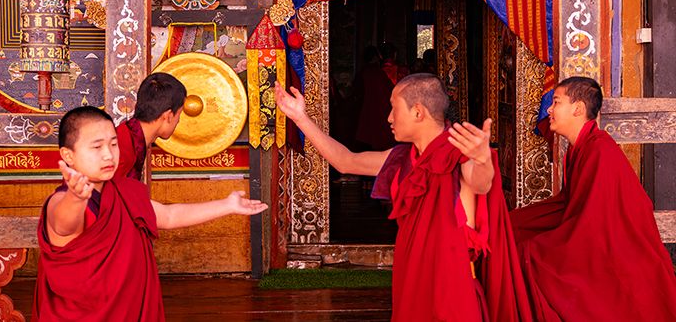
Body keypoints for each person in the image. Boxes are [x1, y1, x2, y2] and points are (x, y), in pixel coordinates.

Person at [275, 74, 531, 321]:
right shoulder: (402, 158)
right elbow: (346, 161)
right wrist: (300, 119)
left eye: (394, 108)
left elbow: (481, 183)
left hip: (451, 286)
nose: (388, 118)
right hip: (412, 278)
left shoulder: (458, 154)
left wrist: (482, 159)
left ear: (418, 112)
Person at [33, 106, 267, 321]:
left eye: (113, 144)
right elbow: (63, 225)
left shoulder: (123, 191)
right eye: (97, 147)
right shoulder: (61, 200)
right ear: (68, 156)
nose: (108, 154)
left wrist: (227, 205)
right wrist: (75, 198)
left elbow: (168, 215)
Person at [511, 76, 676, 320]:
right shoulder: (579, 149)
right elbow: (566, 205)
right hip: (596, 236)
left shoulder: (599, 151)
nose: (549, 110)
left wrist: (537, 248)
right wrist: (512, 223)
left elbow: (594, 223)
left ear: (577, 108)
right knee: (516, 234)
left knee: (532, 256)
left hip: (621, 252)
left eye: (556, 102)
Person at [115, 73, 185, 182]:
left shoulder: (130, 136)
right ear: (168, 116)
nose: (178, 121)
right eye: (179, 115)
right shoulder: (121, 150)